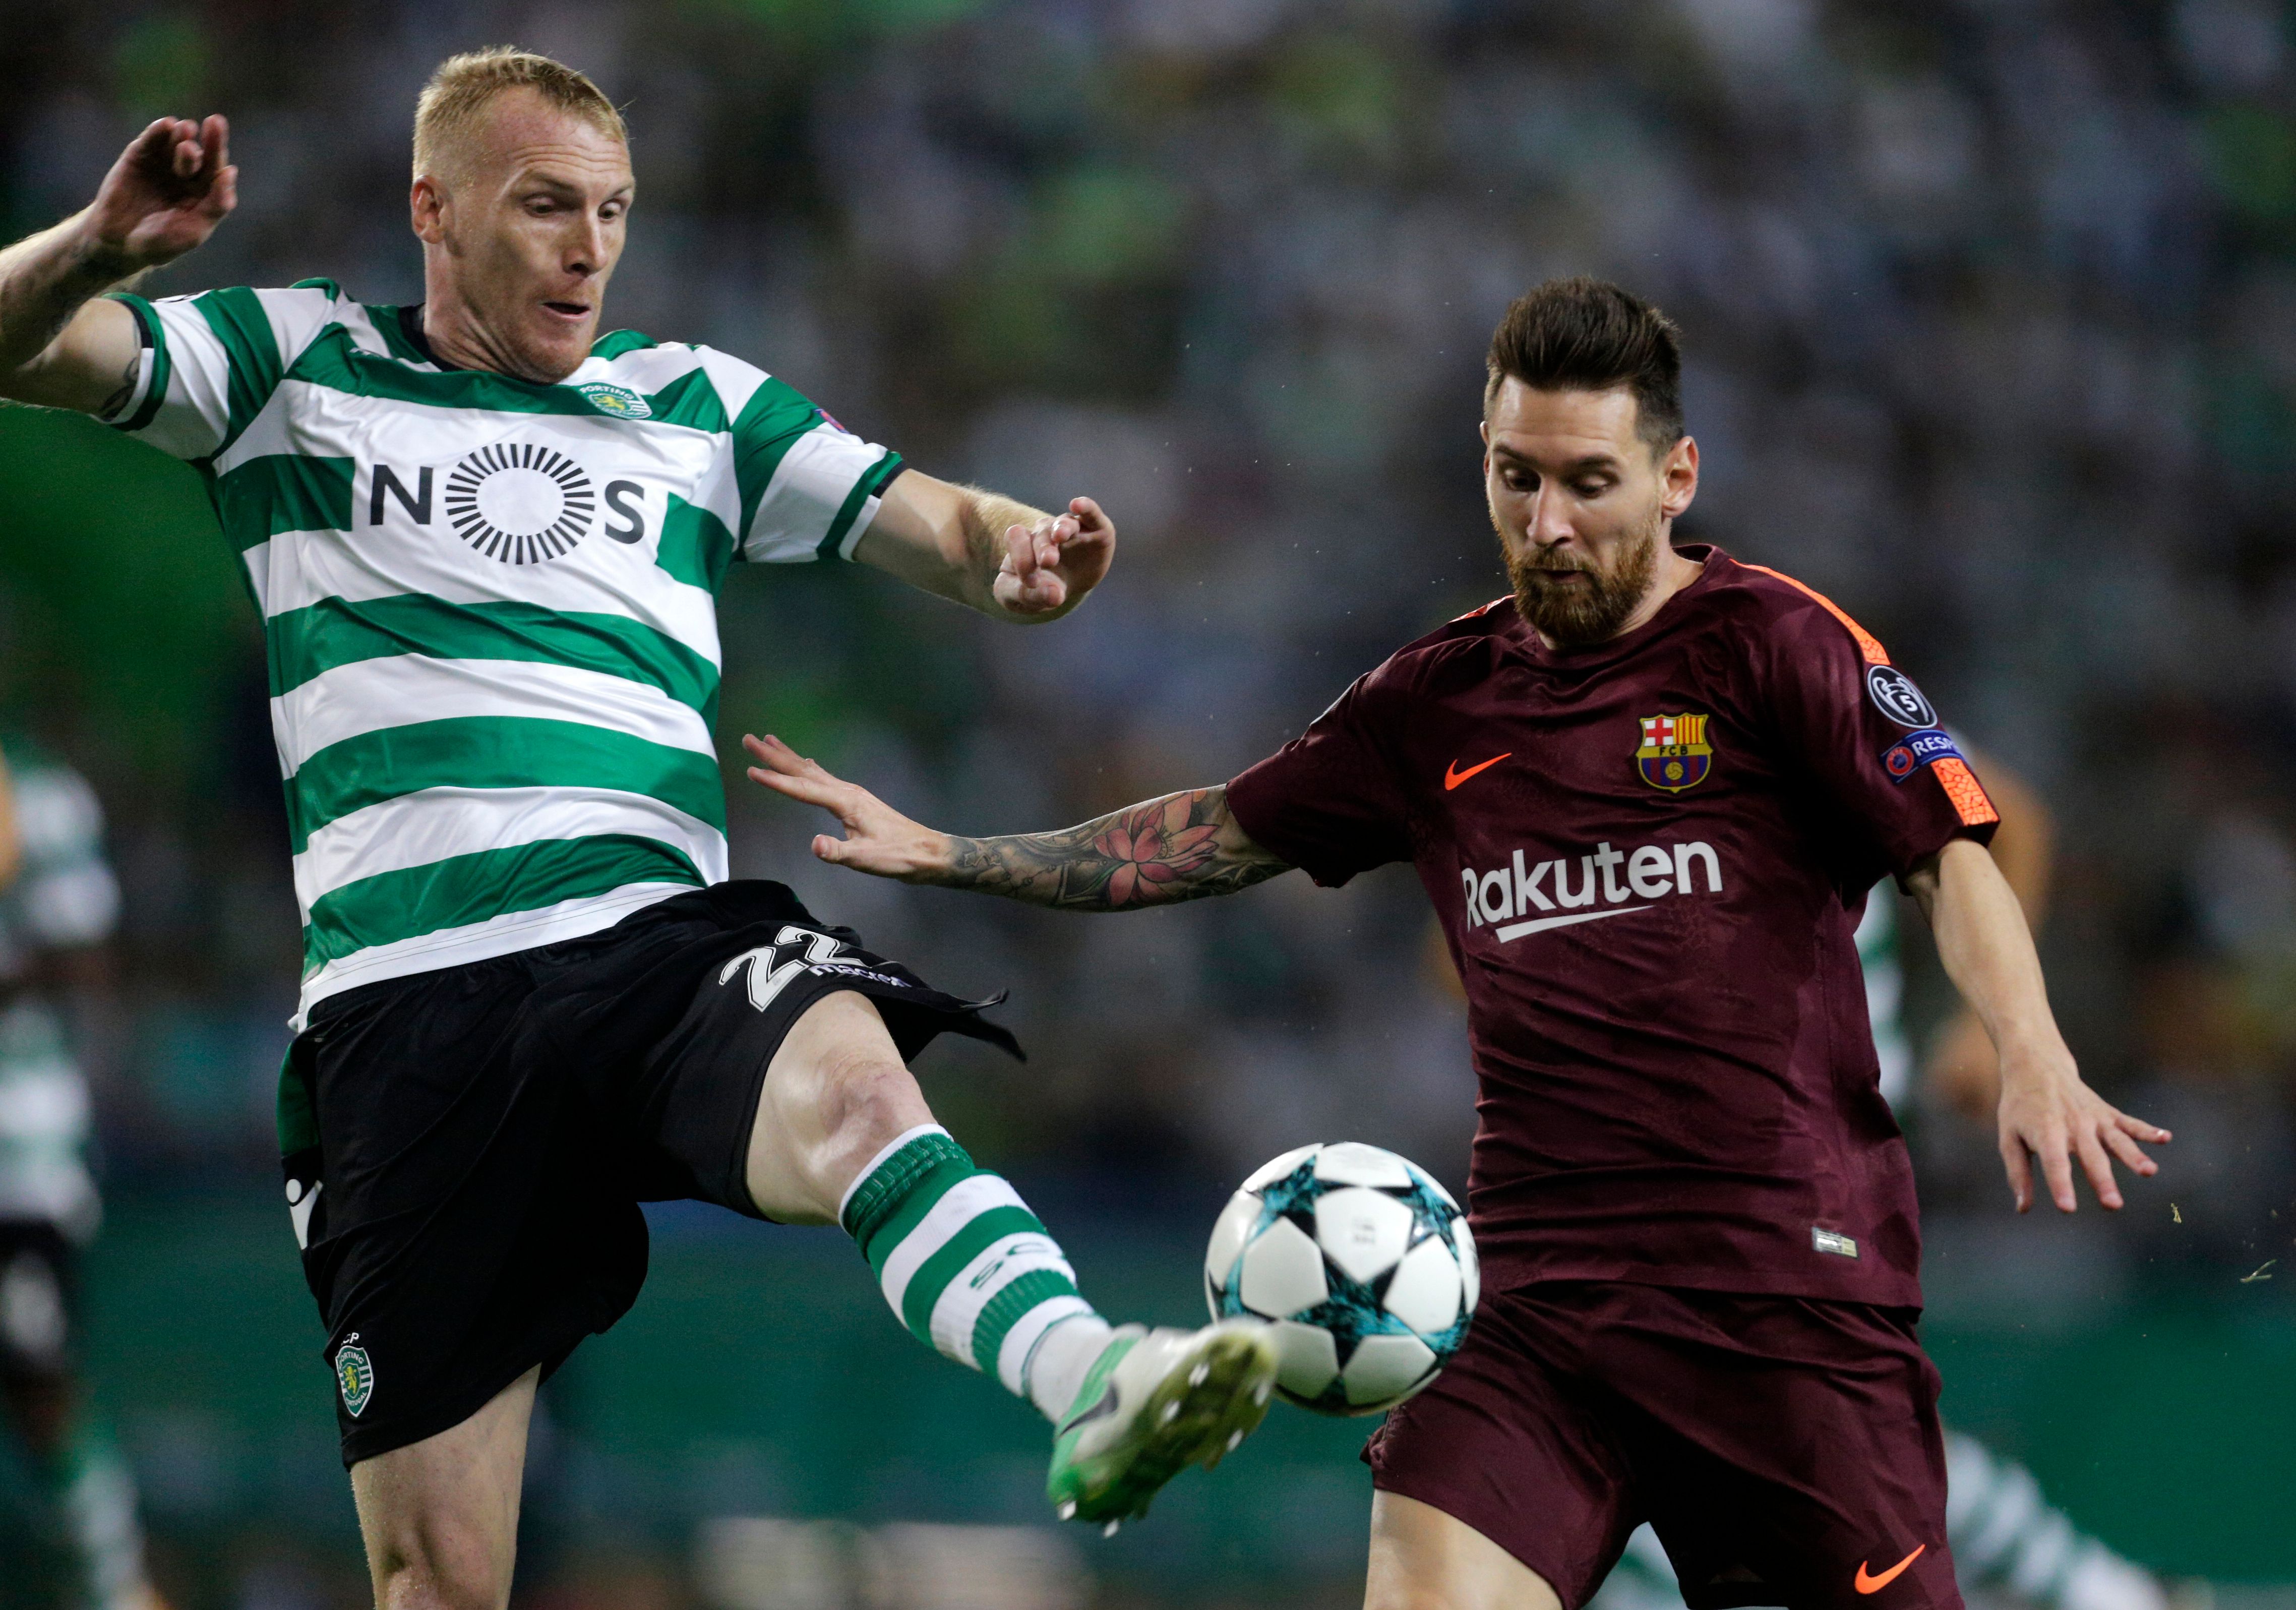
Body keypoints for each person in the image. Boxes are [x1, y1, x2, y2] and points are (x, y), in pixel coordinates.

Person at [0, 48, 1278, 1607]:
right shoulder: (292, 366)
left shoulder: (694, 403)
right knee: (438, 1580)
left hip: (645, 947)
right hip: (404, 1020)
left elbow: (932, 515)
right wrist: (93, 250)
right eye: (545, 206)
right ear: (434, 206)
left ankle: (1091, 1373)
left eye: (610, 210)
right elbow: (29, 349)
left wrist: (1018, 546)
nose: (587, 245)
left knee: (862, 1086)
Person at [743, 277, 2171, 1610]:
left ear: (1677, 478)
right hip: (1527, 1305)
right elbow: (1209, 832)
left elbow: (1952, 848)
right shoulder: (1432, 704)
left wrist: (2027, 1044)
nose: (1546, 522)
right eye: (1516, 476)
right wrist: (951, 852)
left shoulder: (1777, 646)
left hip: (1779, 1296)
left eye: (1589, 484)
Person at [1591, 758, 2176, 1610]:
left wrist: (1994, 1033)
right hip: (1644, 1153)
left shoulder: (1802, 673)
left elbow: (2005, 820)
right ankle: (2096, 1589)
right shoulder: (1560, 725)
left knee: (1749, 1414)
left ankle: (2094, 1589)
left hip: (1812, 1134)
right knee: (1797, 1422)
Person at [0, 742, 164, 1610]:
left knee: (40, 1382)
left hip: (18, 1159)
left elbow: (86, 955)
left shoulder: (40, 795)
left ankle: (115, 1586)